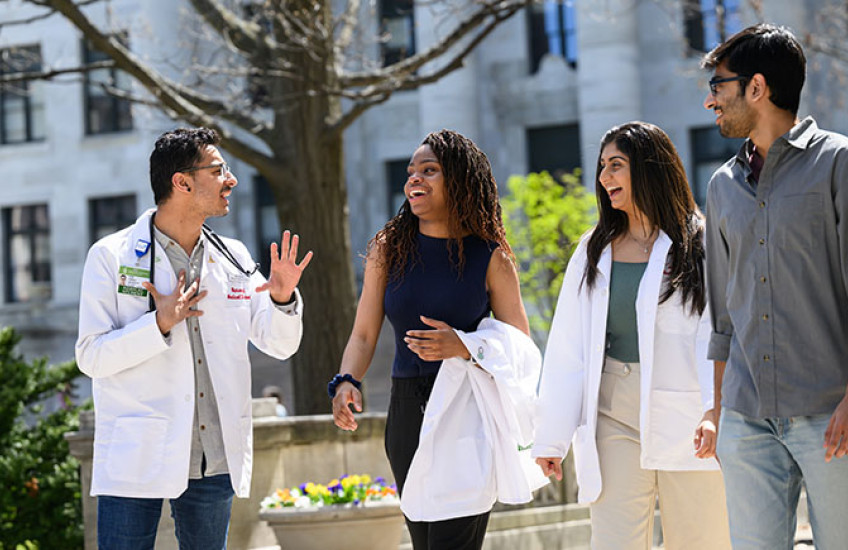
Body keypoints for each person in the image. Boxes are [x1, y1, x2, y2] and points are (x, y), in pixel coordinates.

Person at [75, 127, 312, 549]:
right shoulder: (111, 257)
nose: (232, 180)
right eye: (219, 170)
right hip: (138, 450)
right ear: (181, 182)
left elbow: (279, 344)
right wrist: (158, 324)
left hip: (213, 456)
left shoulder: (234, 257)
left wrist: (281, 298)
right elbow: (91, 357)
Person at [533, 122, 731, 550]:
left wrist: (715, 409)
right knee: (614, 541)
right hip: (614, 414)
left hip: (688, 414)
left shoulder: (701, 244)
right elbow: (568, 347)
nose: (604, 178)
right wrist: (552, 435)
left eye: (616, 165)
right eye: (602, 166)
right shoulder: (593, 250)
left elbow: (716, 332)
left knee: (702, 540)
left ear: (649, 169)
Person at [330, 129, 531, 550]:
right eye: (410, 172)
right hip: (406, 413)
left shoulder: (490, 256)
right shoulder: (389, 249)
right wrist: (346, 380)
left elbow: (521, 348)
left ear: (458, 179)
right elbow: (364, 335)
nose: (413, 181)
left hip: (467, 409)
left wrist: (463, 346)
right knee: (424, 542)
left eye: (429, 171)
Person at [701, 23, 848, 549]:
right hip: (746, 417)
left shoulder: (838, 163)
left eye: (719, 87)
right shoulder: (722, 187)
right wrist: (718, 413)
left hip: (832, 412)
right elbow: (721, 314)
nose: (709, 101)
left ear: (756, 87)